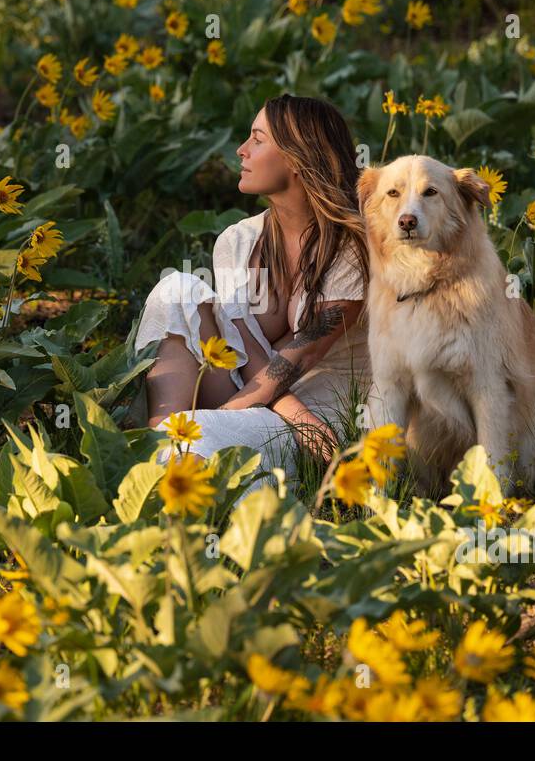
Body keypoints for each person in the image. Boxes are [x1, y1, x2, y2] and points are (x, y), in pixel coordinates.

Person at [134, 93, 371, 481]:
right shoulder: (238, 240)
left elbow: (299, 358)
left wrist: (306, 426)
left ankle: (163, 463)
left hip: (325, 415)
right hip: (271, 406)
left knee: (200, 443)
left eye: (257, 140)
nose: (241, 151)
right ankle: (158, 443)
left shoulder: (353, 244)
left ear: (297, 159)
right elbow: (240, 350)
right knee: (175, 289)